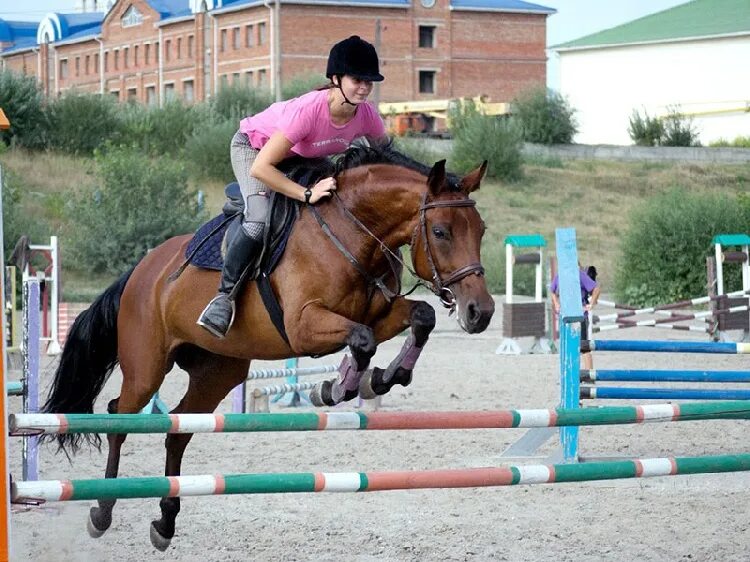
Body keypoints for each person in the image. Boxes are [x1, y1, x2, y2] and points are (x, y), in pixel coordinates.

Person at [198, 35, 388, 338]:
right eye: (357, 80)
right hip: (255, 151)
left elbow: (388, 155)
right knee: (259, 220)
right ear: (336, 79)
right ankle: (223, 298)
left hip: (302, 158)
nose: (364, 88)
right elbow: (262, 169)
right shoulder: (310, 110)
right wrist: (305, 194)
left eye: (369, 81)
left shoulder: (365, 114)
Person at [549, 264, 600, 370]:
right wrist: (556, 303)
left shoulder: (580, 275)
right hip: (566, 316)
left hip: (580, 316)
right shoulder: (560, 275)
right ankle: (570, 375)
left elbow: (596, 289)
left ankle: (589, 374)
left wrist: (592, 303)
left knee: (584, 347)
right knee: (568, 348)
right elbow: (552, 290)